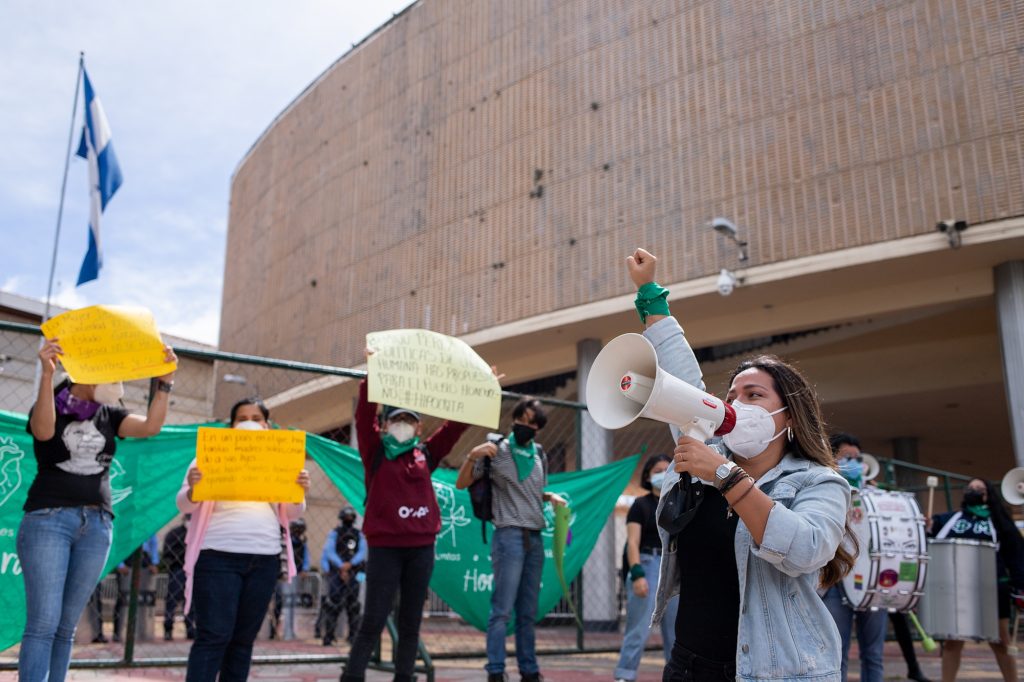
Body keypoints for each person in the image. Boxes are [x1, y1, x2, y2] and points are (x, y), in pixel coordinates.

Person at [626, 248, 855, 681]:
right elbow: (684, 382)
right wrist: (650, 295)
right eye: (731, 395)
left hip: (776, 673)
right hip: (688, 667)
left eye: (754, 396)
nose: (735, 404)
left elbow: (806, 549)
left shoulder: (819, 482)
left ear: (788, 414)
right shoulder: (703, 449)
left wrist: (726, 476)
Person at [18, 337, 176, 682]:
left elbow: (151, 426)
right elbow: (43, 432)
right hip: (49, 520)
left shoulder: (111, 414)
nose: (115, 380)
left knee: (66, 626)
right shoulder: (53, 404)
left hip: (97, 524)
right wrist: (46, 375)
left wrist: (164, 381)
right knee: (43, 623)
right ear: (85, 373)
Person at [339, 371, 471, 682]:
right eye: (396, 419)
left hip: (421, 548)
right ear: (384, 425)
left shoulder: (426, 453)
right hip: (385, 547)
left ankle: (404, 677)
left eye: (409, 420)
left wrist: (480, 389)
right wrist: (372, 377)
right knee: (373, 618)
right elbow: (364, 414)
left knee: (411, 622)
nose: (403, 424)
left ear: (419, 427)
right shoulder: (375, 450)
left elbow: (454, 428)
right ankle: (352, 676)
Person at [177, 398, 310, 682]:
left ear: (267, 425)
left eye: (256, 417)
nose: (249, 423)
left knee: (243, 641)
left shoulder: (280, 460)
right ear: (231, 425)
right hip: (217, 556)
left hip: (264, 558)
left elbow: (293, 512)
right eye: (242, 418)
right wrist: (194, 488)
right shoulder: (208, 456)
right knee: (214, 636)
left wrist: (298, 491)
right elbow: (184, 505)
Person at [455, 398, 567, 682]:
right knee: (502, 610)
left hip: (535, 537)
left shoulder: (539, 454)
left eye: (534, 424)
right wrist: (473, 455)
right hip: (508, 536)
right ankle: (495, 670)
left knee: (528, 612)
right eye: (524, 420)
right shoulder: (497, 450)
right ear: (514, 418)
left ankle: (529, 670)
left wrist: (549, 496)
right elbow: (461, 483)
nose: (528, 427)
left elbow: (531, 492)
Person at [930, 477, 1024, 682]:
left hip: (993, 588)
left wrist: (1019, 588)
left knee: (1000, 641)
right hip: (958, 590)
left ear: (988, 494)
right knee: (953, 641)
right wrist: (928, 524)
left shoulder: (999, 522)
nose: (973, 491)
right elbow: (932, 533)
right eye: (970, 488)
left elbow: (1016, 556)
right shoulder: (950, 520)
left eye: (979, 488)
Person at [821, 433, 887, 682]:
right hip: (835, 581)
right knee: (837, 654)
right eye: (847, 457)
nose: (855, 463)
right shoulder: (823, 488)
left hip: (872, 580)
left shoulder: (874, 496)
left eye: (858, 458)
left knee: (873, 654)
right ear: (832, 458)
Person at [613, 453, 679, 682]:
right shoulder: (640, 505)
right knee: (639, 628)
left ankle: (676, 676)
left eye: (667, 469)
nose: (663, 474)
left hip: (673, 567)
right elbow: (632, 542)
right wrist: (637, 573)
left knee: (676, 631)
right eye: (657, 470)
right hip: (648, 563)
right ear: (647, 476)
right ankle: (625, 675)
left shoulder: (679, 504)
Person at [321, 506, 367, 646]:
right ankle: (329, 636)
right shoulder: (334, 533)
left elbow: (362, 552)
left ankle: (353, 636)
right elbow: (328, 551)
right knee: (333, 604)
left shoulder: (359, 534)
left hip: (355, 572)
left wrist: (350, 564)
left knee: (354, 605)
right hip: (337, 572)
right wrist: (341, 565)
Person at [268, 518, 311, 640]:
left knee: (291, 603)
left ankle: (289, 631)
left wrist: (305, 569)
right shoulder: (286, 540)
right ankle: (278, 632)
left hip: (294, 575)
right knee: (281, 604)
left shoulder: (302, 542)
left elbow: (306, 557)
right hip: (283, 575)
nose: (298, 532)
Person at [162, 514, 195, 641]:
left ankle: (190, 627)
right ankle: (168, 628)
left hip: (193, 571)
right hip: (178, 570)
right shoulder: (175, 533)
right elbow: (167, 553)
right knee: (172, 600)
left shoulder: (196, 535)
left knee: (192, 602)